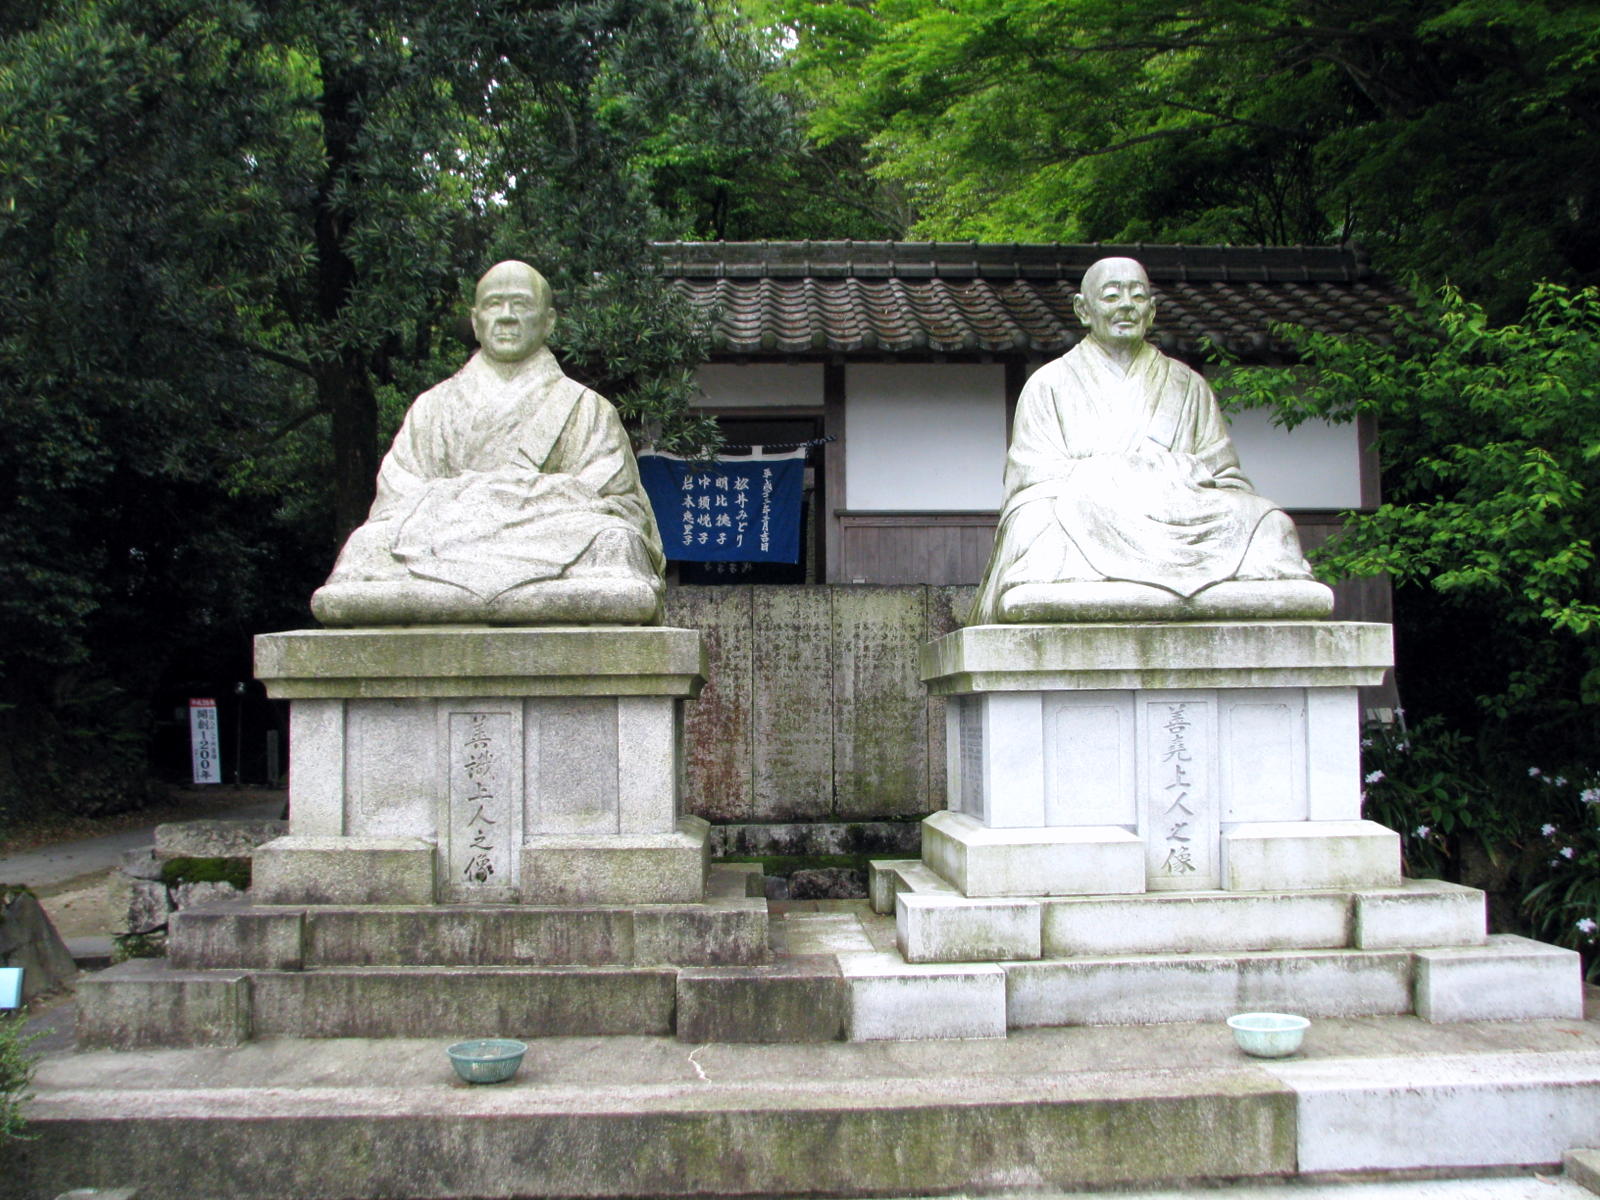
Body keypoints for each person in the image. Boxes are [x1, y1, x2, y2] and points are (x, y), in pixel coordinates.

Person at [968, 256, 1330, 624]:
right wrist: (1116, 474)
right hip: (1089, 511)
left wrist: (1174, 473)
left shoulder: (1188, 385)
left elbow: (1225, 476)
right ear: (1083, 310)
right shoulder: (1048, 384)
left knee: (1269, 521)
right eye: (1111, 296)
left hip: (1183, 511)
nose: (1126, 306)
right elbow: (1030, 477)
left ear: (1152, 311)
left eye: (1137, 296)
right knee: (1036, 522)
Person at [311, 260, 665, 626]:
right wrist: (478, 498)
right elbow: (398, 494)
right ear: (476, 321)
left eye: (521, 304)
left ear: (548, 321)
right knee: (369, 544)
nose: (507, 316)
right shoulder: (432, 407)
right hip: (442, 536)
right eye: (495, 304)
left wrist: (520, 497)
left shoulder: (587, 408)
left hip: (548, 534)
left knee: (614, 541)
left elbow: (613, 498)